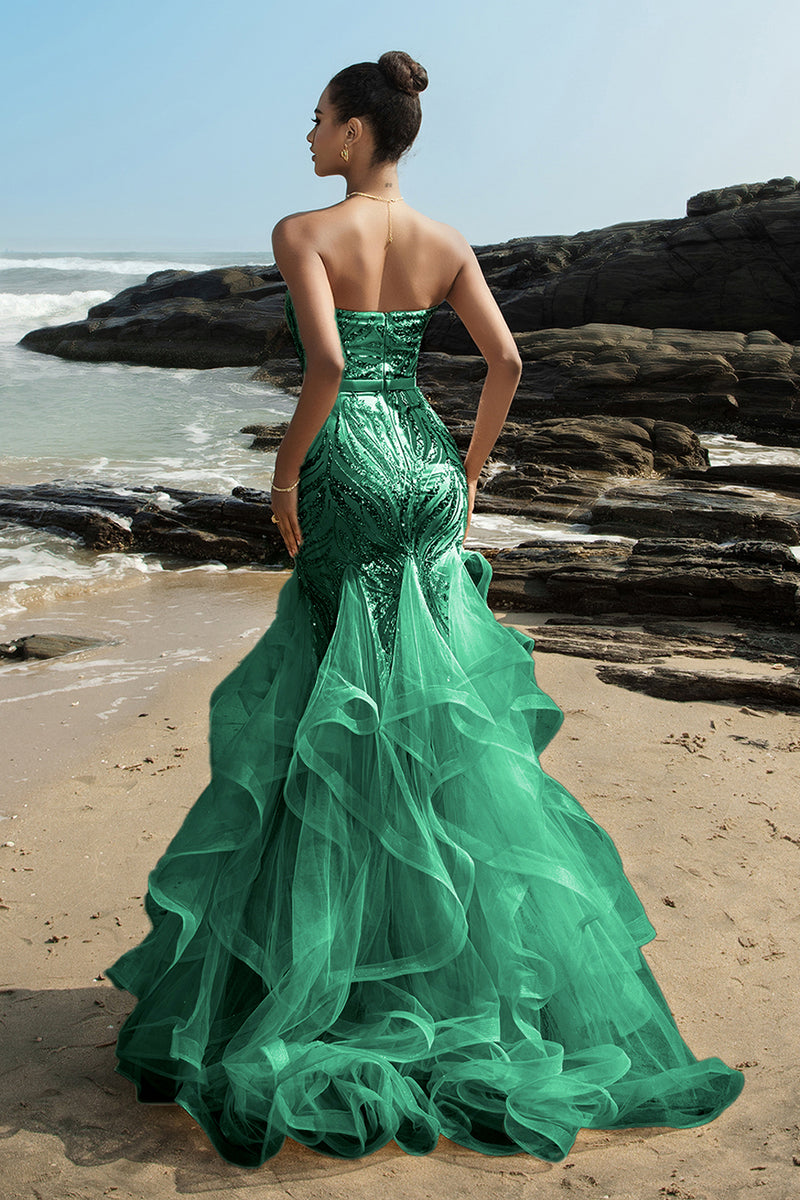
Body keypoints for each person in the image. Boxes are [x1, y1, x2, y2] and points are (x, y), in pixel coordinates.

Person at [104, 50, 745, 1169]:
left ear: (357, 133)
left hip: (349, 460)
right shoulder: (447, 242)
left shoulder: (303, 233)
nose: (306, 141)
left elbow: (322, 366)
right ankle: (450, 960)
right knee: (428, 705)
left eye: (316, 123)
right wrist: (470, 473)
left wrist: (285, 478)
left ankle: (328, 965)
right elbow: (502, 360)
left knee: (330, 698)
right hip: (426, 468)